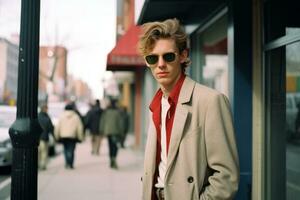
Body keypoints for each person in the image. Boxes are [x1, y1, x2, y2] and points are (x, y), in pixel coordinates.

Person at [138, 18, 239, 200]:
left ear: (183, 56)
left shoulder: (210, 101)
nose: (160, 64)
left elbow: (226, 177)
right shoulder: (156, 105)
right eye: (153, 58)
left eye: (168, 56)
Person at [54, 103, 84, 169]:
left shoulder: (61, 116)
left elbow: (57, 127)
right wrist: (80, 137)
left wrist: (56, 136)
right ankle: (70, 164)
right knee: (72, 150)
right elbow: (80, 128)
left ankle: (67, 163)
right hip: (73, 136)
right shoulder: (76, 116)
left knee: (65, 150)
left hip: (63, 136)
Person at [99, 98, 123, 169]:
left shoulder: (106, 112)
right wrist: (121, 132)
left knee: (110, 146)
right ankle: (114, 159)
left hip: (108, 132)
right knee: (115, 146)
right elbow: (120, 123)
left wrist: (102, 130)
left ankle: (111, 160)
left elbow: (102, 121)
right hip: (115, 132)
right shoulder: (117, 112)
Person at [38, 103, 54, 170]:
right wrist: (53, 135)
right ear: (45, 109)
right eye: (47, 109)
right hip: (44, 138)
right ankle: (43, 165)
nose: (47, 110)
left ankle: (39, 164)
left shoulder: (37, 116)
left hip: (37, 138)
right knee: (44, 152)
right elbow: (51, 128)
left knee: (39, 152)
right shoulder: (47, 117)